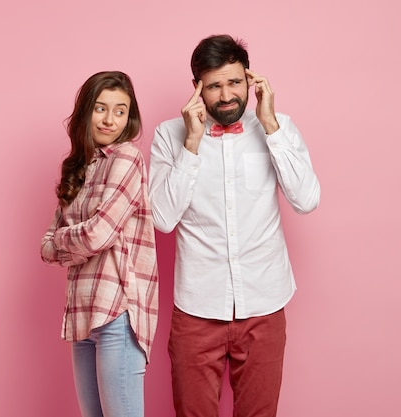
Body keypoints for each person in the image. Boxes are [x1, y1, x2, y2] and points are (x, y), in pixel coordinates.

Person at [148, 34, 320, 417]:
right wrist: (191, 144)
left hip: (265, 302)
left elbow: (306, 199)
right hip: (197, 307)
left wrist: (271, 124)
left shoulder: (279, 128)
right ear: (197, 89)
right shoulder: (168, 136)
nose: (226, 95)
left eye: (234, 82)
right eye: (214, 86)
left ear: (251, 81)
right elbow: (162, 218)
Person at [40, 71, 158, 417]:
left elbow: (97, 235)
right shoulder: (77, 168)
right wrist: (69, 239)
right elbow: (44, 247)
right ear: (85, 112)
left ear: (129, 116)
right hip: (81, 315)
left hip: (116, 312)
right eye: (101, 108)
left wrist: (65, 238)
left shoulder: (126, 159)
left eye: (120, 111)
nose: (110, 120)